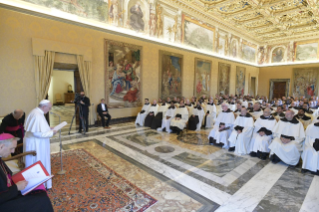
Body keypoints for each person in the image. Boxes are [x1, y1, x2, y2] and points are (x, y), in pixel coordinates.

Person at [0, 133, 54, 211]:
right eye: (11, 148)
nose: (13, 151)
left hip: (9, 193)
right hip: (3, 204)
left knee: (40, 193)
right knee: (41, 200)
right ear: (1, 146)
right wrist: (16, 187)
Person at [24, 100, 57, 189]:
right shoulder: (37, 115)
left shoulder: (35, 111)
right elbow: (37, 133)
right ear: (44, 106)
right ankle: (38, 184)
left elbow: (39, 128)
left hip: (35, 142)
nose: (49, 110)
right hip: (36, 144)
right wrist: (51, 133)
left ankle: (41, 182)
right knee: (38, 161)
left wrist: (48, 128)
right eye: (49, 108)